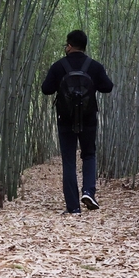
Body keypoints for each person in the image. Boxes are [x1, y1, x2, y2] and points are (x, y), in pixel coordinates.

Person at [41, 29, 114, 214]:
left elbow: (46, 89)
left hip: (65, 119)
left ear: (70, 45)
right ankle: (89, 191)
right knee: (89, 155)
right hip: (88, 118)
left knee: (69, 160)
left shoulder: (59, 66)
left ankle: (73, 206)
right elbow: (108, 87)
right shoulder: (94, 66)